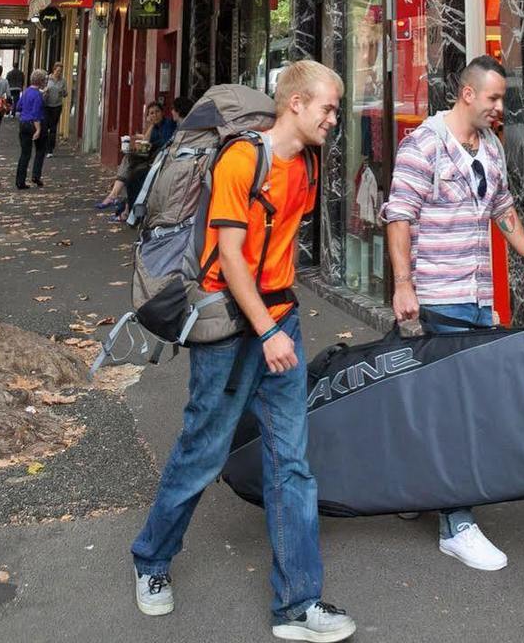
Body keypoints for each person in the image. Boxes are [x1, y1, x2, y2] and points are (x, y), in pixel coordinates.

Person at [131, 60, 356, 641]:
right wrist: (267, 330)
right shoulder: (241, 160)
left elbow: (279, 251)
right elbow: (230, 259)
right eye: (328, 107)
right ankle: (152, 560)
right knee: (203, 451)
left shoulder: (305, 165)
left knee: (292, 464)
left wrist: (281, 323)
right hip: (234, 329)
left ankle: (297, 605)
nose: (335, 118)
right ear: (296, 104)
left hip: (279, 320)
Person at [383, 55, 524, 572]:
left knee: (448, 399)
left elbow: (503, 207)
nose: (501, 108)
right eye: (494, 98)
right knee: (454, 406)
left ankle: (412, 486)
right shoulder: (425, 145)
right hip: (436, 296)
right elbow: (399, 217)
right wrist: (404, 284)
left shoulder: (491, 147)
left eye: (504, 99)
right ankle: (456, 524)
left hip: (478, 296)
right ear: (467, 94)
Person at [96, 101, 176, 215]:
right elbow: (145, 143)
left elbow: (165, 143)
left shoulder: (168, 124)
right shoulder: (154, 127)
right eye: (151, 113)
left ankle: (118, 201)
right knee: (128, 160)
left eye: (157, 112)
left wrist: (150, 143)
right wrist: (152, 125)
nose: (155, 115)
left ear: (162, 113)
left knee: (132, 170)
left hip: (160, 160)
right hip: (151, 158)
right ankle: (118, 200)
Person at [14, 68, 50, 189]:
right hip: (34, 124)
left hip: (23, 123)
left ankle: (20, 180)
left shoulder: (26, 92)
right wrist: (38, 129)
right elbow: (36, 114)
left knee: (25, 153)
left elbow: (18, 107)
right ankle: (36, 175)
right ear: (41, 81)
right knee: (40, 150)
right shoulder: (38, 96)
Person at [43, 61, 66, 154]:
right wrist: (45, 92)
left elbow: (65, 93)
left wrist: (63, 92)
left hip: (57, 106)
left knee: (53, 128)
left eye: (61, 71)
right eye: (58, 71)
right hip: (47, 105)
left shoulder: (63, 80)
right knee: (45, 127)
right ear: (54, 70)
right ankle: (43, 145)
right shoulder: (47, 79)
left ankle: (50, 149)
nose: (59, 73)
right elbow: (41, 90)